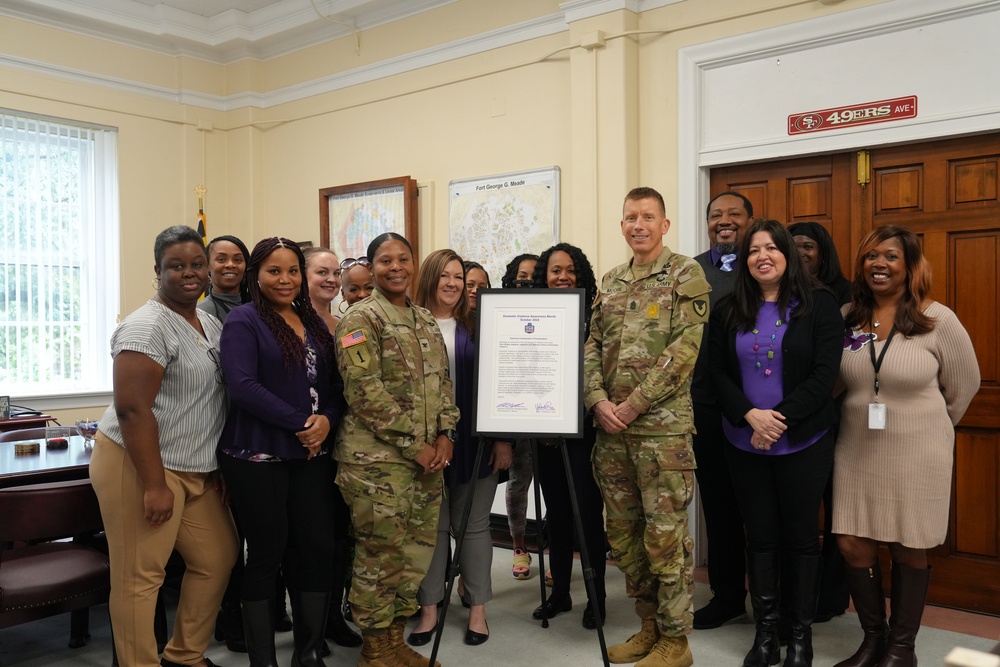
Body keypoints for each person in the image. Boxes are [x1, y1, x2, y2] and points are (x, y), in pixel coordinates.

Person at [90, 225, 238, 667]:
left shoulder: (207, 320)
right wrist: (154, 486)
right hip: (139, 464)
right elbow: (133, 411)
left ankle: (183, 656)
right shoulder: (146, 326)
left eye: (197, 264)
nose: (189, 273)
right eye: (177, 266)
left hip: (193, 467)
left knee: (218, 557)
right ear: (157, 270)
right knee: (141, 577)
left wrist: (215, 468)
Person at [832, 226, 979, 667]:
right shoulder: (846, 317)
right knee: (852, 541)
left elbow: (965, 386)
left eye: (891, 256)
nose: (879, 264)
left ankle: (902, 648)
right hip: (856, 445)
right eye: (871, 256)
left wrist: (930, 426)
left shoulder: (938, 319)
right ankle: (873, 640)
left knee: (908, 544)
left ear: (910, 265)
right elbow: (836, 381)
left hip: (919, 450)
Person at [708, 219, 844, 667]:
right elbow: (717, 373)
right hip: (743, 440)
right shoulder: (728, 307)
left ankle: (799, 636)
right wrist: (750, 416)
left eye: (771, 248)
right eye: (753, 250)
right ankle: (765, 633)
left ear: (786, 254)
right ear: (744, 260)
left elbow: (826, 374)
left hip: (803, 439)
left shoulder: (820, 304)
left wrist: (777, 420)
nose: (762, 256)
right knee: (760, 538)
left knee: (802, 540)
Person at [584, 187, 710, 667]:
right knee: (625, 538)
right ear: (622, 226)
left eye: (648, 217)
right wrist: (597, 401)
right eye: (630, 217)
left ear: (664, 224)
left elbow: (684, 351)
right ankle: (649, 627)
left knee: (665, 539)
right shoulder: (612, 281)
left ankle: (676, 643)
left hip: (662, 435)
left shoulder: (685, 274)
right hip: (612, 435)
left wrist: (633, 405)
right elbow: (591, 346)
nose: (638, 225)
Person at [217, 236, 344, 667]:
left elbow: (334, 389)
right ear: (257, 275)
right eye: (275, 270)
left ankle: (307, 653)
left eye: (293, 270)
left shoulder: (313, 322)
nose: (285, 279)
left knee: (317, 548)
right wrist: (302, 423)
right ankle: (263, 661)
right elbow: (243, 387)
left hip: (310, 457)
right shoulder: (243, 320)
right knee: (267, 553)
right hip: (257, 457)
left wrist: (325, 419)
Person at [334, 232, 458, 667]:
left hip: (426, 462)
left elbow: (443, 384)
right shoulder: (360, 319)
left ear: (413, 262)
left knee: (414, 555)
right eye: (385, 261)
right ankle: (374, 650)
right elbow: (364, 392)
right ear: (371, 267)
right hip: (377, 465)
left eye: (403, 258)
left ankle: (393, 643)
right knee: (379, 555)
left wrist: (446, 435)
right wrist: (416, 444)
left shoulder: (424, 319)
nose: (396, 267)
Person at [408, 250, 513, 647]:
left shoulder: (481, 326)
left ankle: (478, 609)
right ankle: (430, 608)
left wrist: (505, 439)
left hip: (476, 439)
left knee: (474, 527)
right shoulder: (410, 324)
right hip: (424, 445)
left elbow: (502, 385)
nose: (453, 284)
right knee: (432, 529)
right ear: (431, 278)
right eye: (445, 276)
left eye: (459, 277)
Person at [530, 242, 608, 630]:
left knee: (588, 517)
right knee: (556, 517)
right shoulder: (535, 317)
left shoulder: (595, 318)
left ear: (582, 275)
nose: (563, 277)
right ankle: (560, 592)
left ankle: (597, 599)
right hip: (545, 436)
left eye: (570, 270)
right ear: (544, 276)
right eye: (555, 270)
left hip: (584, 435)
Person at [691, 192, 753, 630]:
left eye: (734, 214)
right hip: (707, 412)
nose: (724, 222)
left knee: (764, 511)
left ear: (750, 221)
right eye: (716, 216)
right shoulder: (691, 272)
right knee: (720, 508)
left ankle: (774, 601)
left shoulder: (765, 267)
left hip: (761, 414)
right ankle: (727, 595)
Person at [787, 220, 852, 627]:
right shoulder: (777, 295)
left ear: (823, 251)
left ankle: (829, 598)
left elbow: (845, 362)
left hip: (838, 418)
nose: (801, 253)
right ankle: (796, 601)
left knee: (840, 513)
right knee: (801, 517)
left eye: (808, 246)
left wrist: (814, 398)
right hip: (795, 423)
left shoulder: (845, 297)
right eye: (792, 246)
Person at [499, 253, 540, 581]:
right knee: (518, 482)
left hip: (550, 414)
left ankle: (556, 547)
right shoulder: (501, 315)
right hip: (514, 415)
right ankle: (519, 547)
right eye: (520, 277)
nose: (525, 282)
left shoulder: (557, 312)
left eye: (533, 277)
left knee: (558, 488)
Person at [788, 222, 851, 305]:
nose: (799, 253)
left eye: (807, 247)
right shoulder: (779, 286)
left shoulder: (844, 289)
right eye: (793, 248)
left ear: (822, 254)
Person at [199, 234, 250, 323]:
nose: (230, 265)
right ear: (207, 265)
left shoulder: (261, 308)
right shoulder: (200, 313)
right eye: (221, 259)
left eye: (237, 260)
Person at [304, 246, 342, 330]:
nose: (332, 280)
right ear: (303, 276)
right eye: (322, 272)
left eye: (336, 273)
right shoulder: (291, 323)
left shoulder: (344, 325)